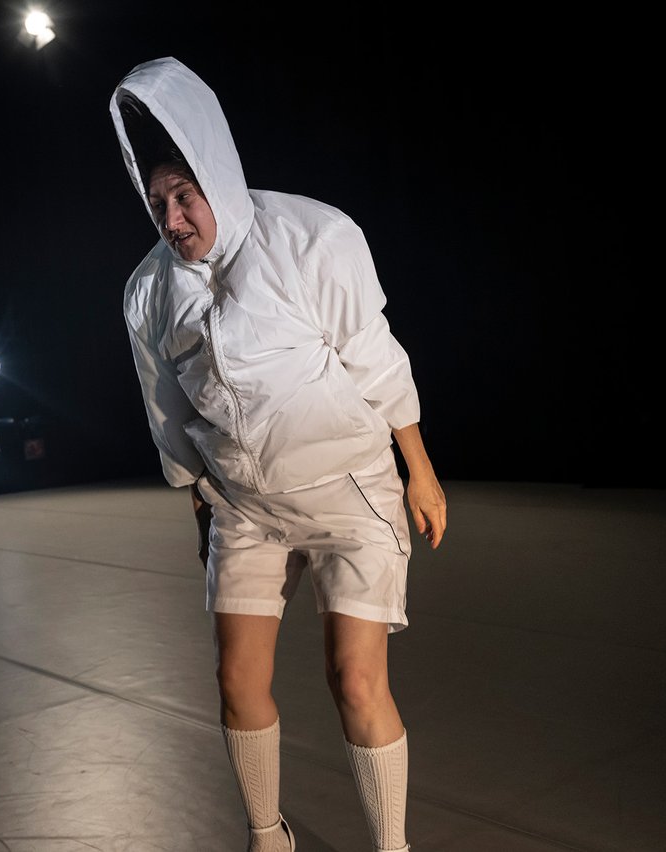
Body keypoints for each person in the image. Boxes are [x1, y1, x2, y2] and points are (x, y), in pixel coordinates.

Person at [109, 57, 447, 852]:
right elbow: (168, 413)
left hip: (348, 490)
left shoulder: (312, 237)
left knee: (355, 679)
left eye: (184, 197)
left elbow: (375, 356)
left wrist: (420, 471)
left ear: (217, 178)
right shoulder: (149, 290)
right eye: (157, 204)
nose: (171, 219)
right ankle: (268, 837)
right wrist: (199, 505)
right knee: (236, 679)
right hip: (244, 505)